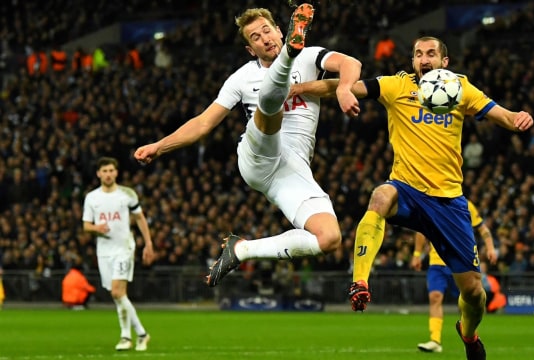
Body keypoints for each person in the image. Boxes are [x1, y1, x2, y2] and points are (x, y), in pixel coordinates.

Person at [292, 36, 533, 360]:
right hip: (406, 189)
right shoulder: (396, 86)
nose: (424, 59)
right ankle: (360, 281)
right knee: (380, 197)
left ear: (444, 62)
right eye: (418, 54)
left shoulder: (460, 88)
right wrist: (299, 89)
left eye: (431, 53)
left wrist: (519, 118)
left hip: (448, 202)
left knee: (474, 293)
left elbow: (503, 115)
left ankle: (468, 333)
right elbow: (341, 83)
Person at [134, 4, 361, 287]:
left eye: (267, 30)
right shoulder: (241, 78)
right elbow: (204, 123)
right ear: (251, 50)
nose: (264, 38)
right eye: (255, 37)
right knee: (270, 104)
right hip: (258, 155)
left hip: (292, 169)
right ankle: (285, 60)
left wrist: (341, 87)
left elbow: (351, 64)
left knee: (328, 238)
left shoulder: (311, 56)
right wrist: (160, 146)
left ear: (279, 31)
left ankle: (242, 250)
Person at [82, 157, 155, 351]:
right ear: (98, 173)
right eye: (104, 171)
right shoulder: (92, 197)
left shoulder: (127, 194)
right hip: (104, 252)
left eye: (111, 170)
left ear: (116, 172)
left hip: (124, 249)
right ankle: (141, 334)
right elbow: (86, 226)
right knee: (117, 295)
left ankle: (126, 337)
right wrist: (97, 227)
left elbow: (140, 218)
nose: (108, 174)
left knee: (117, 292)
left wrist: (148, 243)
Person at [411, 200, 498, 353]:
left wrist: (490, 248)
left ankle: (468, 337)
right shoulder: (430, 201)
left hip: (459, 261)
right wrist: (417, 254)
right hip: (437, 262)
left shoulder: (465, 204)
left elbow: (483, 229)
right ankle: (435, 340)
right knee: (435, 297)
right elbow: (421, 230)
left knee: (467, 300)